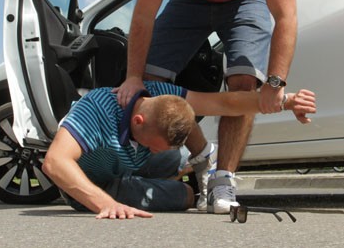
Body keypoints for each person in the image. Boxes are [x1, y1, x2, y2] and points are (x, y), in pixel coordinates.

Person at [114, 0, 297, 214]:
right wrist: (133, 77)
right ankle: (202, 157)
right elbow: (143, 15)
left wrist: (275, 82)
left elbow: (286, 15)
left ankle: (224, 179)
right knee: (153, 84)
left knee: (244, 82)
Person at [43, 82, 315, 219]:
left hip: (128, 159)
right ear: (138, 121)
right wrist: (107, 205)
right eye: (152, 145)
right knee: (184, 196)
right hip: (95, 182)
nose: (155, 150)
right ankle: (160, 180)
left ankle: (195, 163)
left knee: (177, 157)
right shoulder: (96, 112)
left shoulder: (160, 93)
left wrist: (285, 101)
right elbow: (55, 162)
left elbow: (226, 103)